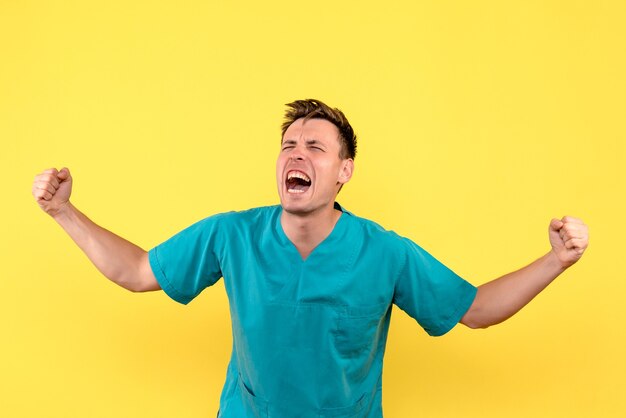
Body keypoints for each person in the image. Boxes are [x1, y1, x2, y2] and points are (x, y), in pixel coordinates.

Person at [32, 99, 589, 417]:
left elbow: (475, 308)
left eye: (316, 147)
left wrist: (554, 261)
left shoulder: (385, 252)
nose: (296, 154)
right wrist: (64, 212)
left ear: (344, 172)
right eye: (288, 146)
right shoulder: (232, 235)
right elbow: (136, 270)